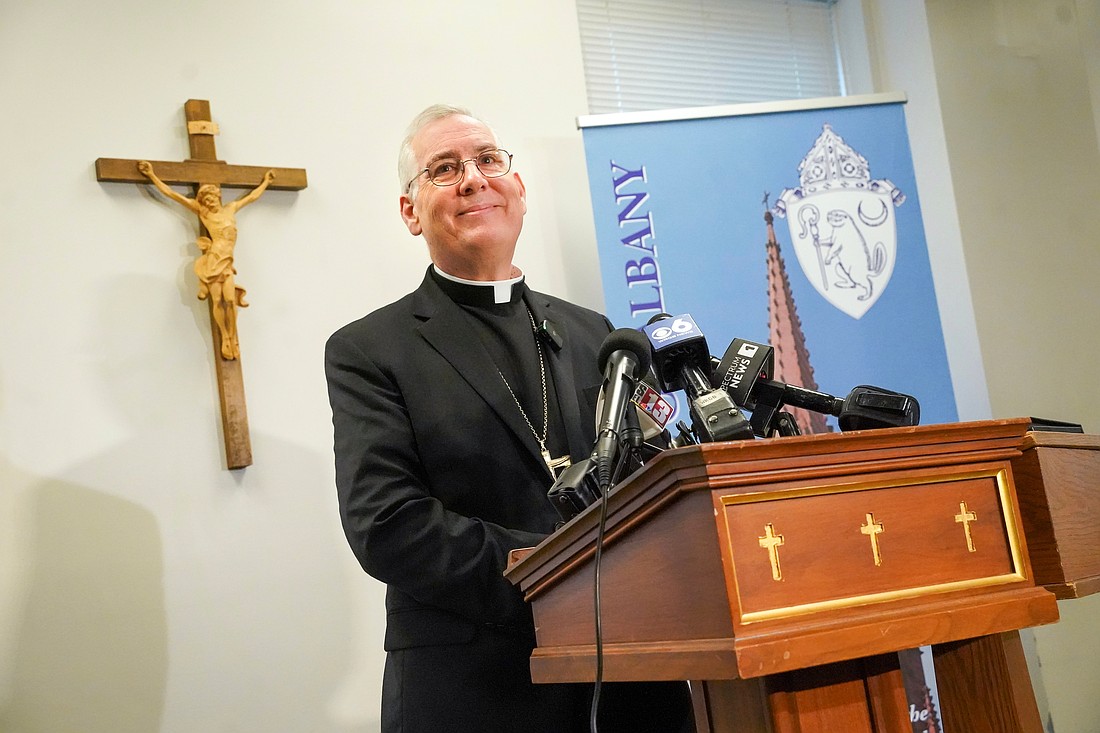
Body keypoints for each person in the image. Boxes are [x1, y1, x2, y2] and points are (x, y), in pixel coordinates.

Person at [324, 105, 694, 732]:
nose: (473, 178)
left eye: (488, 160)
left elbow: (650, 486)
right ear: (411, 212)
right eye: (444, 169)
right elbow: (386, 522)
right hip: (475, 689)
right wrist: (555, 572)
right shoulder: (371, 349)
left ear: (517, 190)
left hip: (632, 682)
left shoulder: (598, 336)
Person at [137, 161, 276, 359]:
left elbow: (252, 197)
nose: (209, 202)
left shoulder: (231, 208)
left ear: (217, 197)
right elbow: (171, 195)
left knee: (230, 299)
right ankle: (226, 338)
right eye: (206, 199)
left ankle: (231, 335)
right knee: (218, 300)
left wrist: (266, 182)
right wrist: (152, 175)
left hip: (227, 261)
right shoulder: (204, 213)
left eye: (211, 198)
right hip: (214, 260)